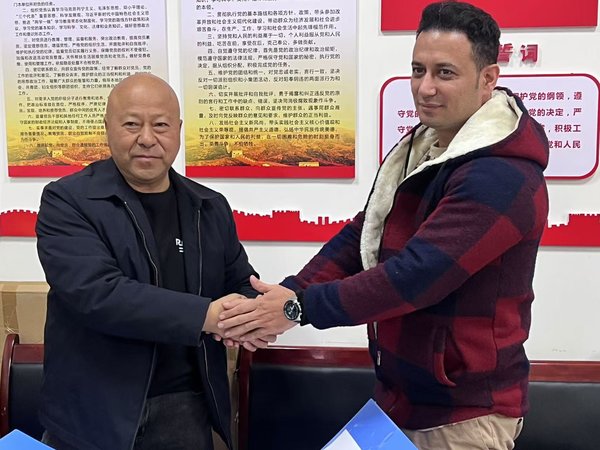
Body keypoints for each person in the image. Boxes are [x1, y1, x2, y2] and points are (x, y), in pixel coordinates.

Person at [217, 2, 549, 449]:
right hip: (399, 399)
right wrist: (291, 293)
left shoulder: (500, 174)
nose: (425, 88)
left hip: (461, 416)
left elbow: (415, 277)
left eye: (445, 73)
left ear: (488, 78)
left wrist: (300, 308)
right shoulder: (425, 148)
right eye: (418, 70)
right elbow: (366, 233)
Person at [35, 73, 269, 450]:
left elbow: (240, 281)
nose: (147, 138)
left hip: (184, 409)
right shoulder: (68, 201)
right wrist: (208, 315)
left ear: (178, 130)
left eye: (160, 125)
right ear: (108, 128)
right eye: (132, 124)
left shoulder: (208, 206)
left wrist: (253, 315)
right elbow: (98, 294)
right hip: (93, 410)